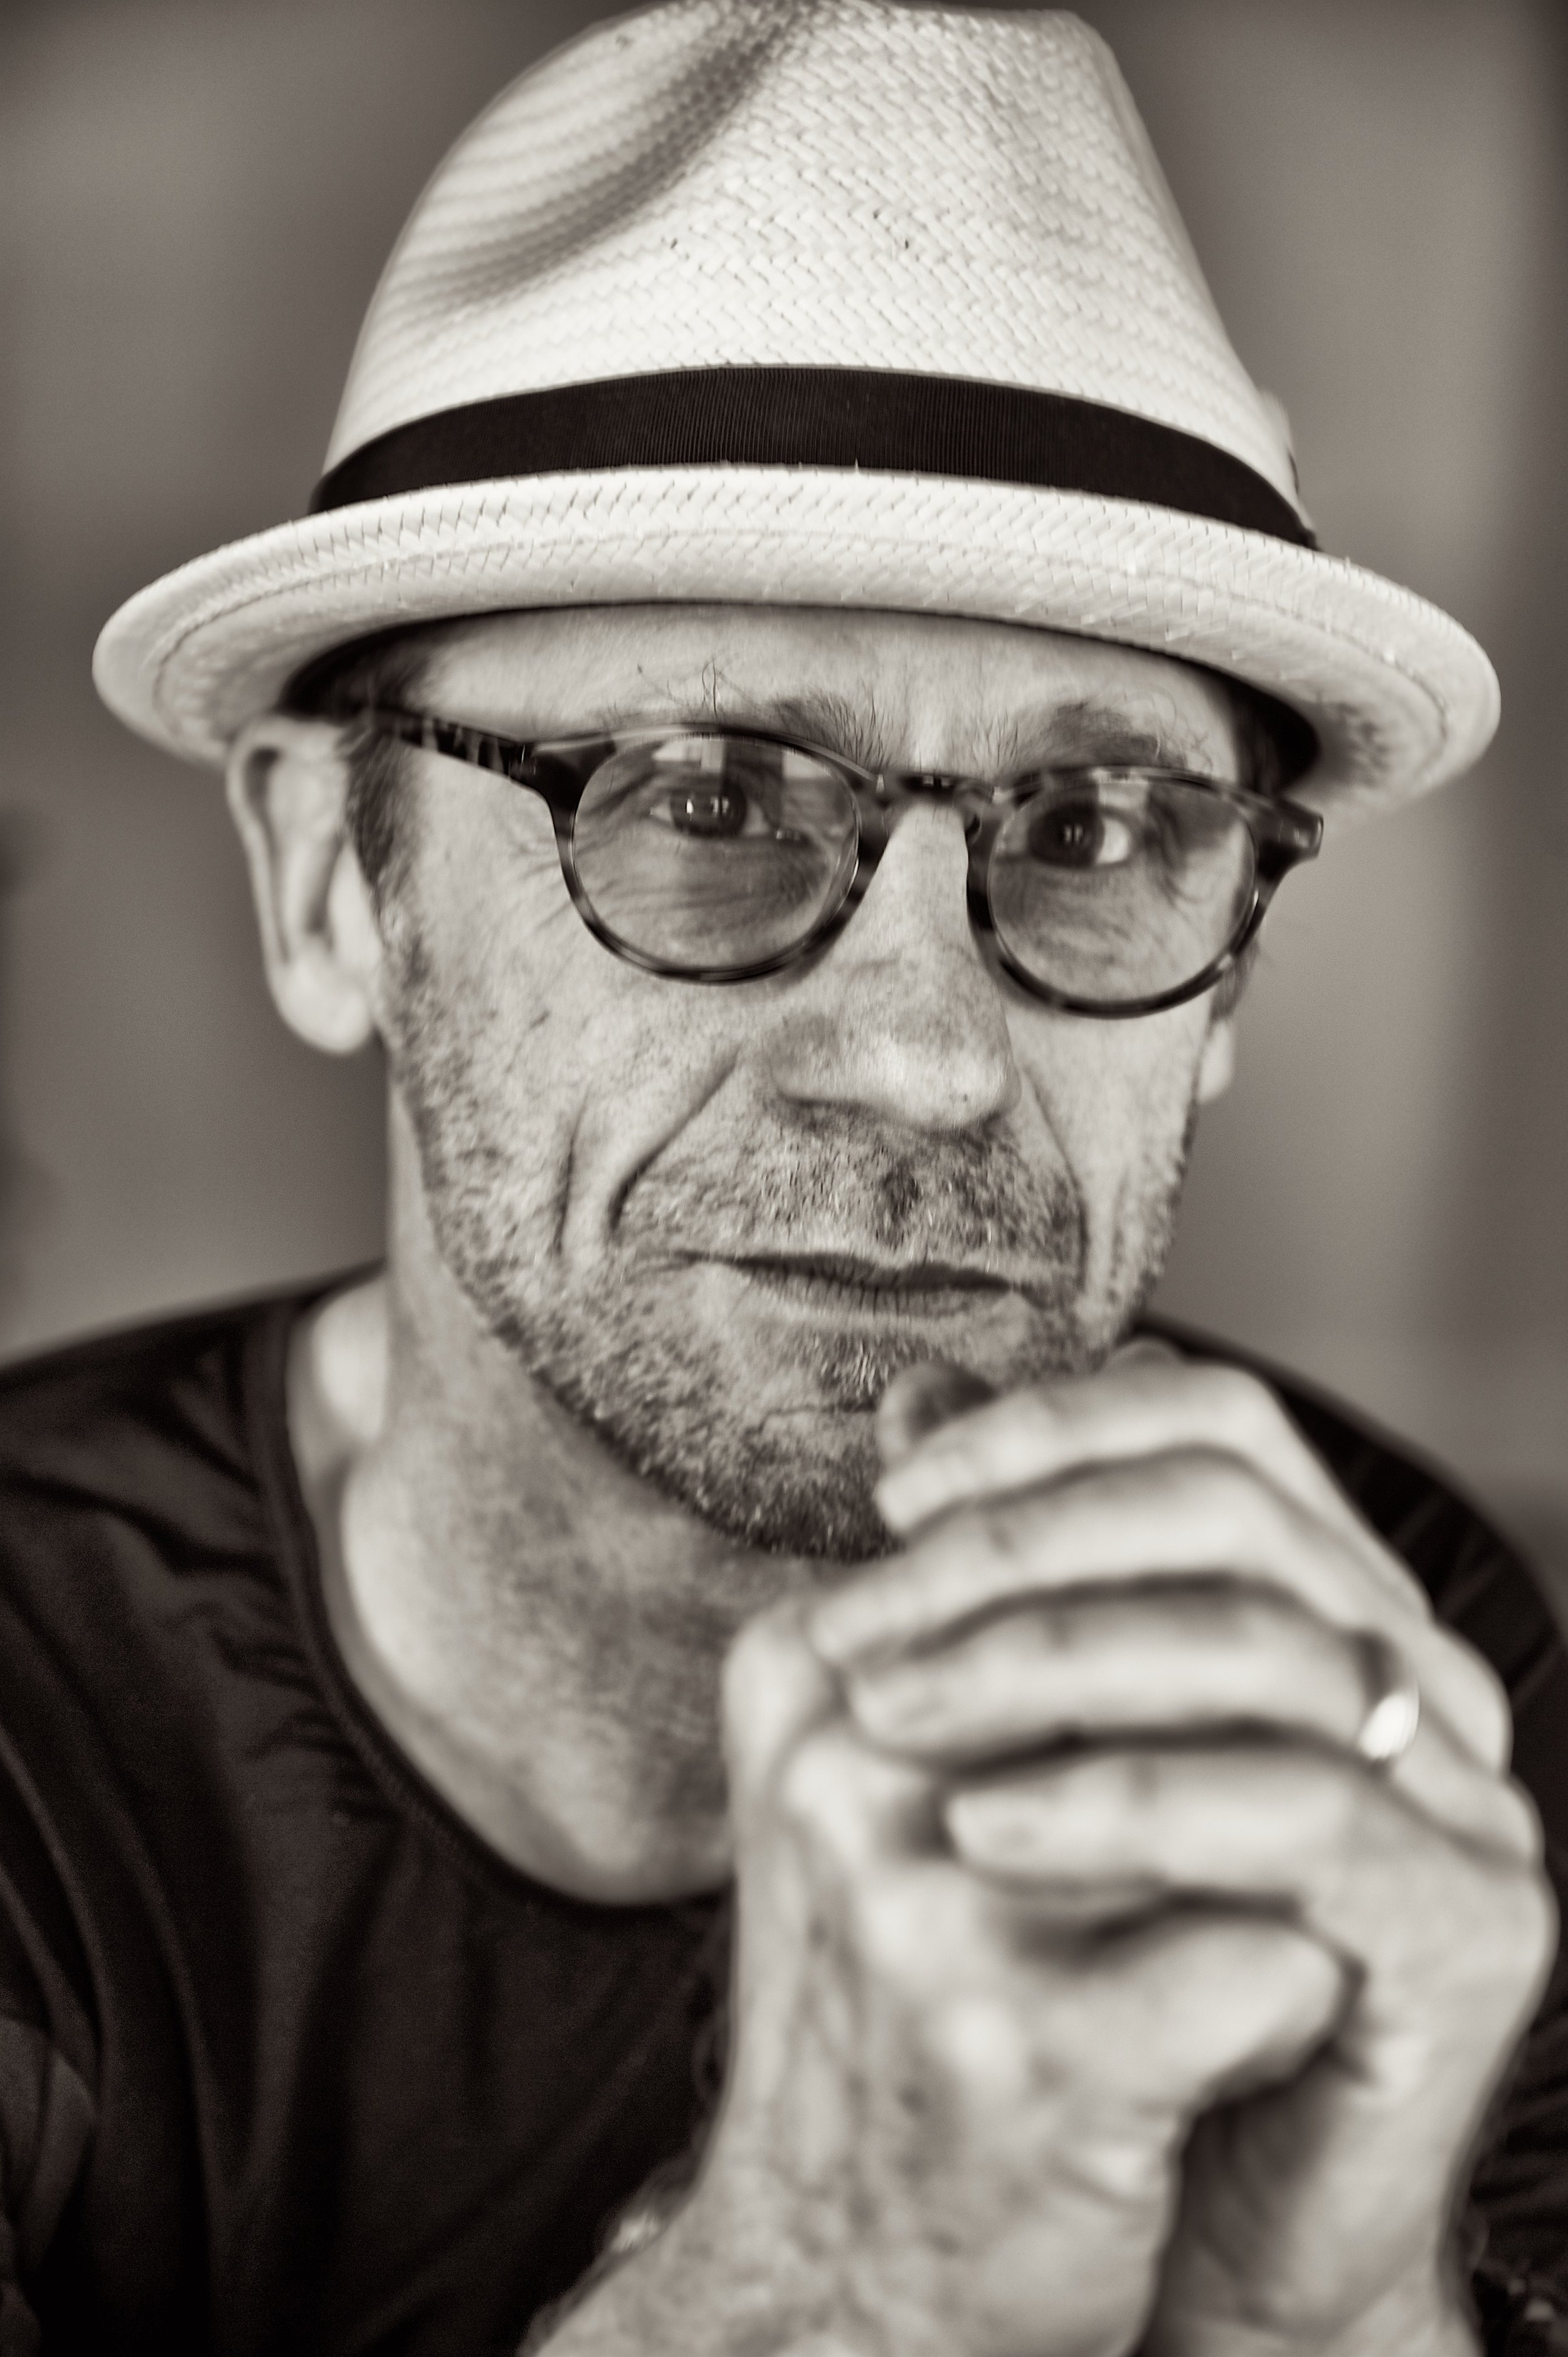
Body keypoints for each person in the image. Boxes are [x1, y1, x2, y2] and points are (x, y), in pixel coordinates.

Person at [4, 1, 1563, 2349]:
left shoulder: (1377, 1673)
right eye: (708, 804)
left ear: (1229, 976)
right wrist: (821, 2292)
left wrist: (1320, 2324)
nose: (934, 1061)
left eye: (1096, 831)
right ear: (336, 881)